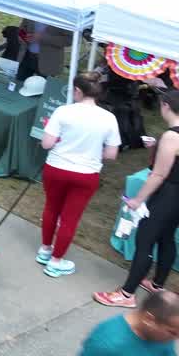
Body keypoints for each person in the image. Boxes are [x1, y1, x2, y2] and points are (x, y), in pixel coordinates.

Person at [95, 90, 179, 307]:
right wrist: (156, 148)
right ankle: (157, 284)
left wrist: (138, 200)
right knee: (166, 237)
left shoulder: (172, 136)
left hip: (167, 194)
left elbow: (159, 174)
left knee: (145, 240)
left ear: (165, 106)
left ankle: (126, 295)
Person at [37, 72, 121, 278]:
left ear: (78, 91)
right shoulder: (109, 118)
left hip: (56, 167)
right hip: (86, 173)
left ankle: (45, 249)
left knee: (51, 208)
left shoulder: (63, 111)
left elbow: (46, 143)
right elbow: (111, 154)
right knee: (70, 218)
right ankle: (56, 261)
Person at [80, 290, 179, 355]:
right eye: (173, 332)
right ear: (149, 319)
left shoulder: (165, 334)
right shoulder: (106, 344)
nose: (176, 338)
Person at [17, 19, 75, 83]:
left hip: (49, 62)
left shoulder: (61, 17)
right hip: (26, 57)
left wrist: (43, 37)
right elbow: (21, 29)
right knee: (19, 84)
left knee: (45, 89)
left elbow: (69, 40)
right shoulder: (31, 11)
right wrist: (23, 36)